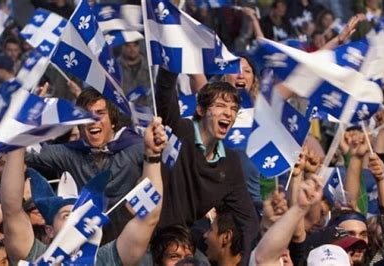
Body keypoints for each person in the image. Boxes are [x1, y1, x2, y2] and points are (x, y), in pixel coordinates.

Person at [1, 118, 166, 265]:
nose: (75, 219)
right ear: (49, 230)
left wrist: (152, 156)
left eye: (81, 215)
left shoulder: (104, 260)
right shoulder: (35, 255)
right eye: (66, 215)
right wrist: (18, 141)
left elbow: (148, 218)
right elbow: (11, 209)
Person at [156, 67, 259, 265]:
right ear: (201, 110)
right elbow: (164, 92)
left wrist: (241, 261)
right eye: (220, 105)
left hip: (182, 247)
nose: (228, 114)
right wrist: (171, 57)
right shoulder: (179, 131)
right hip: (147, 239)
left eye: (233, 109)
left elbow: (249, 221)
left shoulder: (230, 162)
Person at [25, 89, 144, 241]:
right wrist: (29, 116)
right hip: (88, 246)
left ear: (113, 121)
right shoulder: (70, 153)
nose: (93, 119)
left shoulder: (136, 147)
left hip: (132, 243)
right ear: (80, 127)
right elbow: (26, 151)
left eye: (100, 113)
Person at [117, 41, 151, 105]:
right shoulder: (115, 68)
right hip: (126, 110)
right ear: (123, 47)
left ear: (139, 47)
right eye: (128, 46)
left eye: (135, 46)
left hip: (149, 110)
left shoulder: (151, 67)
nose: (132, 49)